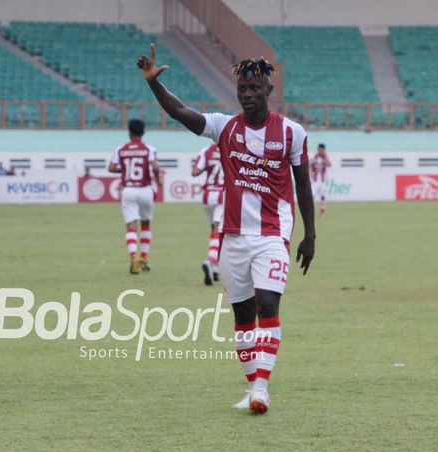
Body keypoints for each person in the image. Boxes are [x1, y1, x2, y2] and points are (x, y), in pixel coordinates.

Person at [138, 44, 315, 414]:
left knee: (269, 304)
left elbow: (303, 185)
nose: (247, 95)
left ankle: (263, 388)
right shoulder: (224, 127)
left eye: (254, 89)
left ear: (269, 91)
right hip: (232, 238)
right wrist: (155, 85)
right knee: (242, 316)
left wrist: (309, 235)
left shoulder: (292, 133)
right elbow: (181, 112)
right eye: (242, 90)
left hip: (272, 235)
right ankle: (252, 386)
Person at [108, 119, 161, 274]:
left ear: (129, 132)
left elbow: (111, 168)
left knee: (131, 226)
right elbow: (155, 167)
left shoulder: (121, 149)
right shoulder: (149, 149)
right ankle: (144, 258)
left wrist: (124, 171)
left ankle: (134, 257)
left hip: (128, 190)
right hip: (145, 190)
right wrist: (158, 179)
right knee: (146, 224)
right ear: (143, 132)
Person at [191, 143, 224, 285]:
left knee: (214, 230)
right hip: (224, 194)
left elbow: (195, 172)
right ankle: (210, 261)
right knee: (220, 231)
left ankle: (216, 268)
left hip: (208, 195)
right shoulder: (234, 146)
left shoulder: (206, 151)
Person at [310, 143, 331, 216]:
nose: (320, 151)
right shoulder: (314, 157)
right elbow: (310, 165)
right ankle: (310, 211)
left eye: (321, 150)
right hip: (315, 180)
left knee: (323, 195)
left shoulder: (325, 157)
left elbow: (329, 164)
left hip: (323, 180)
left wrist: (325, 158)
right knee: (312, 195)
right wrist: (311, 173)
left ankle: (322, 212)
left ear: (324, 150)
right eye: (319, 149)